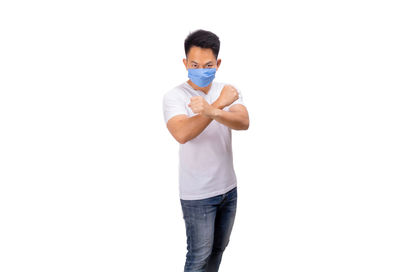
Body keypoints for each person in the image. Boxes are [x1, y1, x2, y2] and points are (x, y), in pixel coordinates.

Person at [162, 29, 250, 272]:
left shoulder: (228, 89)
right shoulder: (175, 96)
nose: (201, 69)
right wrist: (219, 106)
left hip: (228, 189)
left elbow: (243, 122)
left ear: (218, 63)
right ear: (185, 63)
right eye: (195, 64)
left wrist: (210, 109)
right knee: (198, 257)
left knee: (218, 250)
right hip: (198, 195)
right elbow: (182, 133)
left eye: (208, 64)